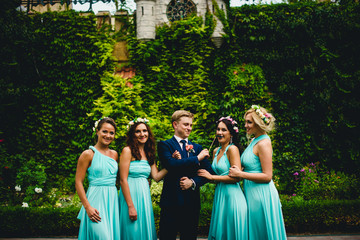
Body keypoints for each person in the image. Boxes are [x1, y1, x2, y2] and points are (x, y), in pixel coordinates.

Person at [229, 105, 287, 240]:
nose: (245, 125)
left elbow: (267, 176)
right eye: (245, 122)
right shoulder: (254, 140)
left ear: (258, 123)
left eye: (249, 122)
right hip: (252, 194)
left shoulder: (264, 143)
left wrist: (241, 174)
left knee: (262, 232)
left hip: (262, 195)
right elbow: (253, 165)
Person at [157, 110, 213, 240]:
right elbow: (171, 165)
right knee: (167, 236)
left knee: (189, 237)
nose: (189, 128)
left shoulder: (197, 147)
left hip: (191, 202)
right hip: (170, 201)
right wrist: (197, 158)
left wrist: (192, 182)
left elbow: (209, 172)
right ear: (175, 125)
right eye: (186, 124)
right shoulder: (165, 145)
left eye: (191, 125)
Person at [197, 116, 248, 240]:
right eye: (218, 129)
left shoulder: (233, 149)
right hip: (220, 196)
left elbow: (236, 178)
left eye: (224, 130)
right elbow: (212, 175)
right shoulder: (215, 151)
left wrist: (211, 176)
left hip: (232, 197)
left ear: (231, 133)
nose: (219, 133)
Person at [119, 117, 168, 240]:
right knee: (132, 230)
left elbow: (156, 177)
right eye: (138, 131)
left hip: (144, 197)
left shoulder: (149, 152)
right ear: (132, 134)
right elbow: (122, 179)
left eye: (145, 131)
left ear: (148, 133)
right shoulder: (127, 151)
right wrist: (130, 206)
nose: (142, 134)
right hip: (130, 197)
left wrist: (171, 164)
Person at [75, 117, 120, 239]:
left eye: (112, 133)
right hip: (95, 201)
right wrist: (87, 207)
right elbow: (78, 182)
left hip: (112, 201)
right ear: (97, 132)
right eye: (104, 131)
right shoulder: (88, 154)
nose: (108, 135)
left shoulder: (115, 154)